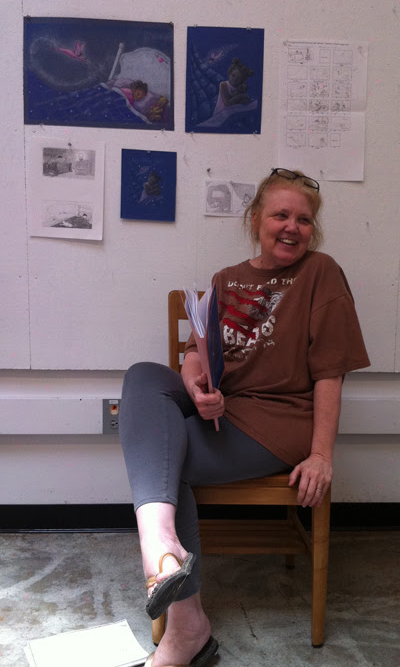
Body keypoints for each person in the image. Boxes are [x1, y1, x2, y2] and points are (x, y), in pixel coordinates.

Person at [119, 167, 370, 667]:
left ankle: (185, 626)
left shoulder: (321, 273)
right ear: (256, 219)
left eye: (304, 219)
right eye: (281, 215)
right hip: (225, 409)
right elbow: (196, 353)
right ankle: (161, 541)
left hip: (278, 420)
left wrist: (321, 455)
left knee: (169, 461)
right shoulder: (226, 278)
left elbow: (330, 373)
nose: (292, 227)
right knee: (144, 376)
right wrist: (198, 388)